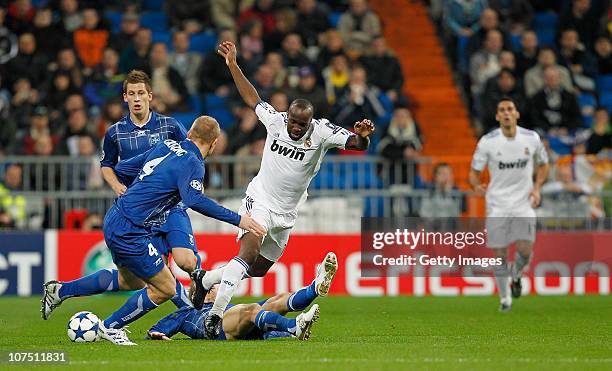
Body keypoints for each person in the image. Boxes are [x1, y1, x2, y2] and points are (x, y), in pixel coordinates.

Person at [191, 41, 375, 339]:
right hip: (259, 200)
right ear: (287, 116)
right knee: (247, 254)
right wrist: (233, 65)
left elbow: (357, 144)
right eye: (293, 122)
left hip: (286, 214)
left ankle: (206, 279)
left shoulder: (323, 132)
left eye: (301, 125)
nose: (295, 128)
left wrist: (363, 136)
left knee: (259, 269)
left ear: (309, 122)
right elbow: (253, 98)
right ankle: (215, 315)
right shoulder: (275, 121)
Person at [41, 116, 266, 345]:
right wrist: (239, 220)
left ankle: (59, 291)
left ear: (189, 133)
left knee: (132, 282)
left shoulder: (165, 145)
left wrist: (141, 191)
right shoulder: (193, 162)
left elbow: (123, 168)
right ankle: (110, 327)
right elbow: (194, 200)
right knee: (166, 287)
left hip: (117, 217)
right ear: (215, 143)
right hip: (131, 228)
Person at [469, 97, 549, 312]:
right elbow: (473, 173)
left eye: (510, 109)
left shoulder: (531, 138)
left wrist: (538, 187)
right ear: (497, 116)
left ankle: (517, 275)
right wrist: (477, 186)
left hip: (523, 202)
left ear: (516, 114)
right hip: (497, 204)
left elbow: (544, 164)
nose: (506, 113)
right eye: (502, 110)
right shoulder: (487, 141)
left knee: (525, 250)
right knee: (500, 254)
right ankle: (505, 299)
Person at [148, 252, 338, 341]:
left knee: (276, 301)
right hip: (216, 330)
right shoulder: (189, 312)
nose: (216, 287)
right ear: (200, 294)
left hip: (239, 324)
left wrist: (280, 334)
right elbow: (158, 329)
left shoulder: (224, 306)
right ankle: (294, 326)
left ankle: (314, 288)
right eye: (210, 287)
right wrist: (157, 334)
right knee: (251, 310)